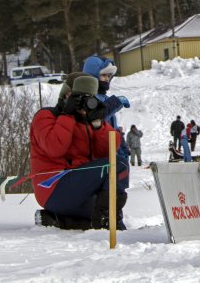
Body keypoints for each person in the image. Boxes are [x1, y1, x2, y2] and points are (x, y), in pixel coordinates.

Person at [31, 73, 129, 230]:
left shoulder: (87, 121)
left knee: (105, 203)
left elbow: (109, 150)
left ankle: (57, 220)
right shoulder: (46, 116)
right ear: (66, 94)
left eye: (88, 97)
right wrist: (67, 115)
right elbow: (54, 147)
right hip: (54, 187)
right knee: (117, 166)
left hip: (80, 190)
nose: (83, 101)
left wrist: (98, 124)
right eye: (78, 96)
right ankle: (105, 223)